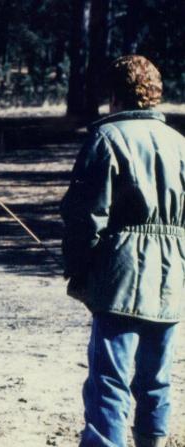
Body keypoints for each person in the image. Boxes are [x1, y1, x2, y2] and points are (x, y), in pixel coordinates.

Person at [61, 55, 185, 447]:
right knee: (156, 379)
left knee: (108, 382)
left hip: (120, 277)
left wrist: (79, 271)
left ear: (115, 96)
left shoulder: (106, 139)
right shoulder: (180, 144)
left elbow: (85, 217)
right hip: (173, 278)